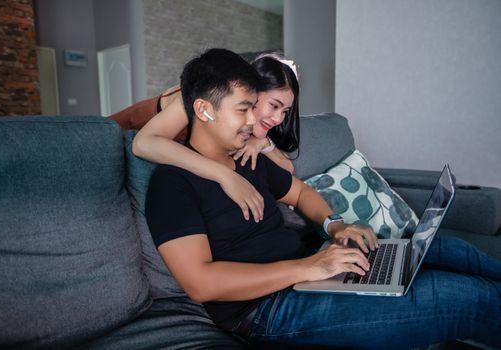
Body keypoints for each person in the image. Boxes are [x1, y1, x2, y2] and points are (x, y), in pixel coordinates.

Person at [146, 48, 501, 349]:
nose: (255, 119)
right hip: (266, 310)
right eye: (244, 109)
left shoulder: (246, 157)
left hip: (306, 270)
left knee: (452, 251)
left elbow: (299, 192)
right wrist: (310, 268)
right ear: (205, 110)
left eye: (256, 106)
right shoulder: (172, 184)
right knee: (471, 300)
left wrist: (336, 225)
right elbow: (200, 284)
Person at [124, 52, 300, 223]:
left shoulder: (248, 125)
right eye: (273, 105)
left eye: (285, 111)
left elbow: (287, 169)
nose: (278, 119)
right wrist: (224, 175)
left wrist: (262, 142)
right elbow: (143, 143)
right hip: (125, 124)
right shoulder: (204, 101)